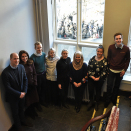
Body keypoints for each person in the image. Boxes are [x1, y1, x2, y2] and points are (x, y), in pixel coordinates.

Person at [1, 53, 31, 131]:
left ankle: (23, 121)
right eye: (15, 58)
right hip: (13, 97)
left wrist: (24, 91)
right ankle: (18, 127)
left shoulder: (21, 67)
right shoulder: (5, 73)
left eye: (17, 58)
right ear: (10, 59)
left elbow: (25, 79)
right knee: (15, 112)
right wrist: (19, 94)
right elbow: (7, 88)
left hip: (22, 94)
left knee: (22, 108)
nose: (17, 60)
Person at [104, 33, 130, 108]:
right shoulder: (111, 47)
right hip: (111, 70)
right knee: (109, 86)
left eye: (119, 38)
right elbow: (108, 58)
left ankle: (113, 99)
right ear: (114, 40)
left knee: (116, 86)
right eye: (117, 39)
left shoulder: (126, 49)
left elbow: (128, 60)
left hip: (120, 72)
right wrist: (109, 68)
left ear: (122, 39)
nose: (118, 40)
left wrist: (124, 70)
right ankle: (107, 100)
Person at [19, 50, 39, 119]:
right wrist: (25, 87)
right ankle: (30, 112)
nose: (24, 58)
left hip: (32, 84)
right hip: (26, 87)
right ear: (20, 57)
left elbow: (34, 73)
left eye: (26, 56)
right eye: (22, 56)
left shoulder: (31, 62)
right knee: (28, 100)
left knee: (34, 98)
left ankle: (34, 111)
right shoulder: (20, 66)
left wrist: (35, 82)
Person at [87, 45, 108, 111]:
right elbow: (89, 68)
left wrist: (98, 78)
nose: (99, 53)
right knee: (91, 90)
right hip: (91, 79)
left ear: (102, 52)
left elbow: (105, 71)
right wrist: (93, 77)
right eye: (98, 51)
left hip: (100, 79)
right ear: (96, 51)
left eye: (100, 52)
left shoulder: (105, 61)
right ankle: (91, 102)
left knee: (98, 91)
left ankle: (97, 103)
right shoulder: (92, 58)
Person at [30, 41, 47, 109]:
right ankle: (38, 104)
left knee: (43, 89)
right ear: (35, 48)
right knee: (38, 90)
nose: (39, 49)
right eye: (38, 48)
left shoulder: (43, 54)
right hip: (37, 76)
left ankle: (42, 101)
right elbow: (31, 68)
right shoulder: (32, 57)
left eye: (40, 48)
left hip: (43, 74)